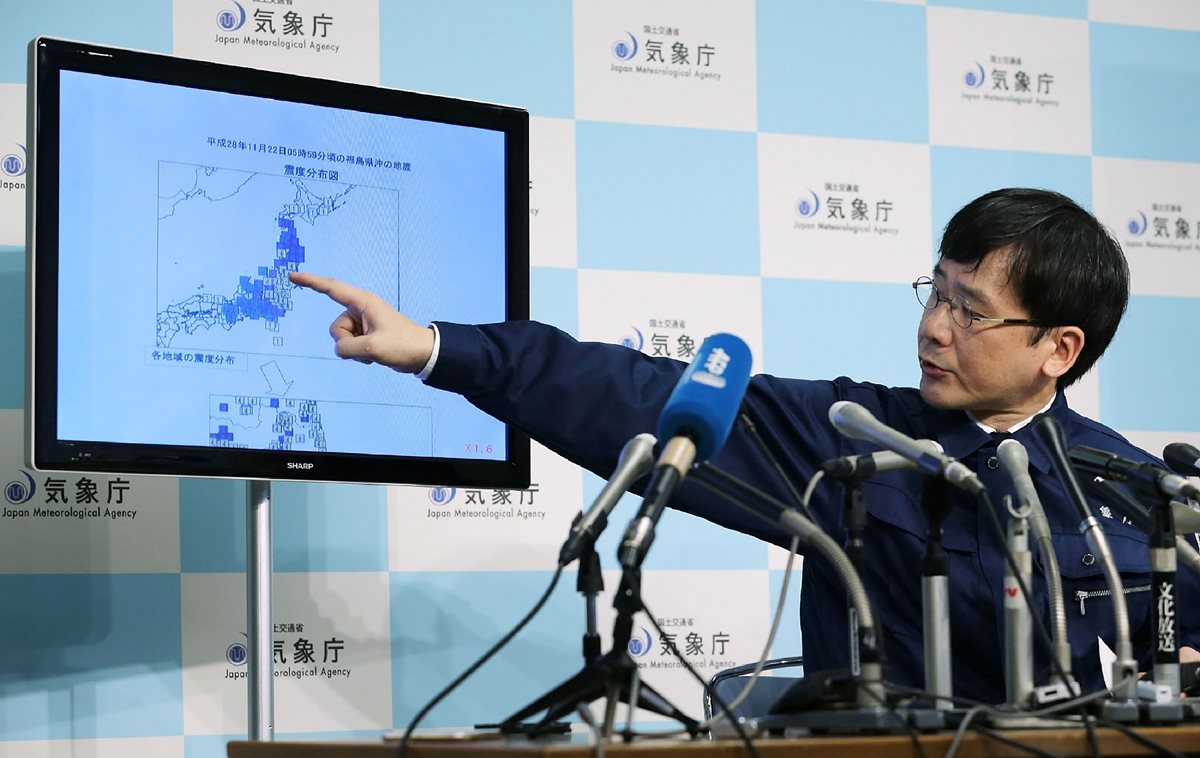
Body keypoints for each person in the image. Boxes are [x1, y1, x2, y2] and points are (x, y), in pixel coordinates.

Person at [289, 187, 1199, 704]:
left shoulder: (1133, 491)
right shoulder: (856, 440)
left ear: (1059, 349)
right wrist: (441, 348)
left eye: (969, 311)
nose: (933, 328)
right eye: (935, 293)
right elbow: (632, 393)